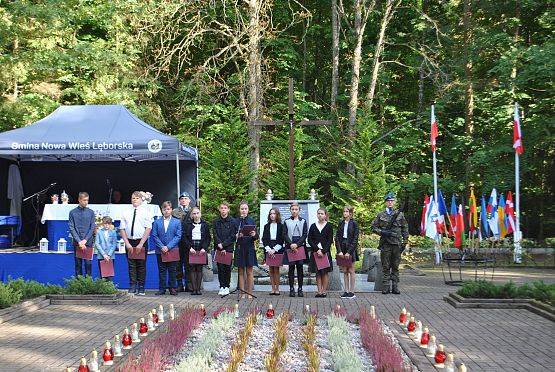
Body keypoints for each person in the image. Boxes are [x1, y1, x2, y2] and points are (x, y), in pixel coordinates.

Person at [371, 192, 409, 295]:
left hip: (397, 244)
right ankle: (386, 287)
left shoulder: (399, 214)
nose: (390, 203)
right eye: (388, 201)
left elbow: (405, 228)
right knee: (385, 266)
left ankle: (395, 287)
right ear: (385, 202)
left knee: (395, 266)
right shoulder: (380, 215)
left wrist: (405, 241)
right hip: (386, 244)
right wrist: (382, 232)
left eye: (392, 201)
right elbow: (373, 227)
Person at [119, 191, 153, 296]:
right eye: (133, 198)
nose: (135, 200)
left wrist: (141, 243)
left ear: (141, 199)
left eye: (137, 198)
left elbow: (148, 228)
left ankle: (141, 287)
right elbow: (122, 228)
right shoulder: (126, 212)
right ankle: (132, 286)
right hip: (129, 241)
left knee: (141, 265)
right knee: (131, 265)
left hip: (140, 241)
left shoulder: (146, 212)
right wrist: (127, 243)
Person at [152, 201, 182, 296]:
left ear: (171, 210)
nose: (166, 211)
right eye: (164, 209)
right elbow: (155, 235)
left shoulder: (177, 222)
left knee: (172, 270)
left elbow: (178, 236)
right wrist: (162, 246)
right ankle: (162, 288)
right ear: (162, 210)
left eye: (168, 209)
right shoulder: (156, 222)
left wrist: (168, 246)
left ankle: (173, 288)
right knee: (162, 270)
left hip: (172, 249)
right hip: (160, 250)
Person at [183, 206, 211, 295]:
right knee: (192, 269)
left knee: (199, 269)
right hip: (191, 248)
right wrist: (189, 248)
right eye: (194, 213)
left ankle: (198, 289)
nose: (196, 215)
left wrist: (204, 248)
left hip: (201, 248)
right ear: (191, 215)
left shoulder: (205, 225)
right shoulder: (187, 225)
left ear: (200, 214)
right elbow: (184, 238)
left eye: (197, 213)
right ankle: (193, 289)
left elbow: (208, 238)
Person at [234, 201, 258, 299]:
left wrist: (254, 235)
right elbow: (232, 236)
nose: (244, 211)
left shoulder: (252, 221)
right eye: (242, 209)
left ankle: (249, 292)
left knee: (249, 271)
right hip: (240, 248)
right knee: (240, 271)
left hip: (249, 248)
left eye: (245, 209)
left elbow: (256, 236)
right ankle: (242, 292)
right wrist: (237, 235)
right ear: (239, 210)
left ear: (248, 210)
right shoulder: (236, 221)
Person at [283, 202, 308, 297]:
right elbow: (284, 234)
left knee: (300, 268)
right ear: (290, 210)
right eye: (292, 209)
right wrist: (291, 244)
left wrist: (297, 244)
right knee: (291, 268)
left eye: (296, 209)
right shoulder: (286, 221)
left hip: (300, 245)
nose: (294, 211)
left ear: (299, 210)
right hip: (290, 244)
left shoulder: (303, 221)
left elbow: (305, 234)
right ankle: (291, 289)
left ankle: (300, 289)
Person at [308, 207, 334, 298]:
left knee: (325, 272)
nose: (320, 215)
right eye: (318, 213)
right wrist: (317, 250)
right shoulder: (313, 226)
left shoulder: (329, 226)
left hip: (325, 252)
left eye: (322, 213)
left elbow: (330, 240)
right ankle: (319, 291)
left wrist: (323, 251)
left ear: (325, 215)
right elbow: (310, 239)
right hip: (315, 252)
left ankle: (324, 291)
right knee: (318, 272)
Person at [68, 192, 96, 277]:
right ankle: (79, 285)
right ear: (79, 200)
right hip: (77, 242)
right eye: (84, 200)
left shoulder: (91, 212)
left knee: (88, 264)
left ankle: (88, 284)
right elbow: (72, 228)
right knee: (78, 264)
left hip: (88, 242)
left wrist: (85, 240)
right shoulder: (72, 212)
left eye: (87, 200)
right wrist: (79, 241)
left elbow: (92, 227)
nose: (86, 202)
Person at [213, 202, 237, 295]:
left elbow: (233, 236)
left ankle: (227, 286)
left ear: (228, 210)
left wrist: (224, 245)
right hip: (218, 248)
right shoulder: (216, 221)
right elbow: (215, 234)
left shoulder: (233, 221)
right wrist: (219, 244)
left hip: (228, 248)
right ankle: (221, 286)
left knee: (227, 268)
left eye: (225, 208)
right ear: (219, 209)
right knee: (220, 268)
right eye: (222, 208)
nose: (223, 210)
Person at [335, 205, 360, 299]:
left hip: (350, 248)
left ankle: (352, 292)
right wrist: (339, 251)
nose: (345, 213)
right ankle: (346, 291)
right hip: (342, 247)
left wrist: (349, 252)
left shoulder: (354, 224)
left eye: (346, 211)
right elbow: (337, 237)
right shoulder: (341, 223)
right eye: (344, 211)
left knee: (351, 270)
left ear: (350, 213)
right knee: (345, 270)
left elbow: (355, 239)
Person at [262, 207, 286, 295]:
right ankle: (272, 288)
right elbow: (264, 239)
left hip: (278, 248)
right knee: (271, 269)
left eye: (274, 214)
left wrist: (274, 249)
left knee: (276, 269)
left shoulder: (281, 226)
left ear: (277, 215)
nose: (272, 215)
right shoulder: (266, 226)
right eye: (271, 214)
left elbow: (282, 239)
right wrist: (268, 249)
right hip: (268, 248)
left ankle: (277, 288)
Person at [173, 191, 193, 292]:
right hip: (178, 241)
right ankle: (180, 284)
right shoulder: (175, 212)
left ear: (189, 200)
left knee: (189, 263)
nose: (184, 200)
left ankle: (189, 285)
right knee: (178, 263)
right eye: (182, 199)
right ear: (179, 201)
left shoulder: (193, 211)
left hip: (189, 241)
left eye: (185, 198)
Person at [94, 216, 118, 282]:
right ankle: (103, 289)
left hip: (110, 256)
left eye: (108, 224)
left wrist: (109, 255)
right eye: (105, 223)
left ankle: (109, 288)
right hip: (101, 256)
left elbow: (114, 244)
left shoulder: (113, 232)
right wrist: (104, 254)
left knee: (109, 274)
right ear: (102, 224)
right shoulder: (99, 232)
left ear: (111, 224)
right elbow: (97, 243)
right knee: (102, 274)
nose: (107, 225)